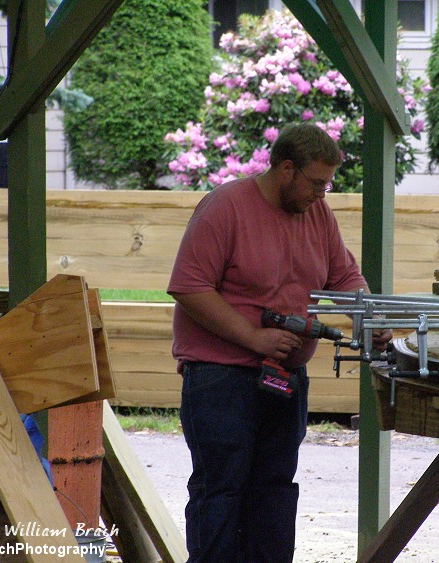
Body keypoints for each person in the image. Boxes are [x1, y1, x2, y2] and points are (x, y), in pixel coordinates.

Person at [167, 123, 391, 563]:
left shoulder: (317, 214)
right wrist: (253, 337)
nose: (323, 194)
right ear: (286, 168)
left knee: (274, 491)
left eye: (328, 184)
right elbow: (189, 287)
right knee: (222, 490)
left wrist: (368, 318)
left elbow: (343, 276)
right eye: (317, 182)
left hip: (285, 377)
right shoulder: (225, 208)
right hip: (220, 377)